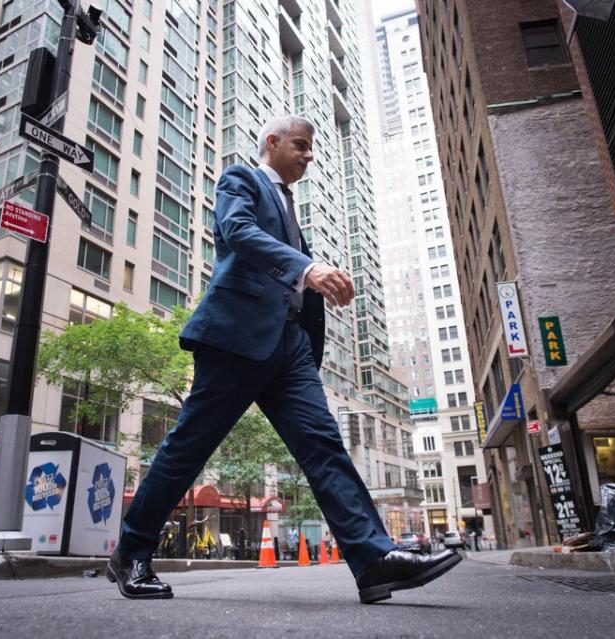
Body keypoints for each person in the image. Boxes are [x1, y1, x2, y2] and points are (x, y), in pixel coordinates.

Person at [107, 115, 462, 603]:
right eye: (300, 145)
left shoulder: (290, 206)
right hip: (236, 338)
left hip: (290, 349)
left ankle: (373, 560)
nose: (309, 155)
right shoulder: (242, 179)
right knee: (188, 448)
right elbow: (237, 231)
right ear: (271, 142)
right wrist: (307, 267)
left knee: (324, 445)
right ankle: (131, 552)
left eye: (311, 148)